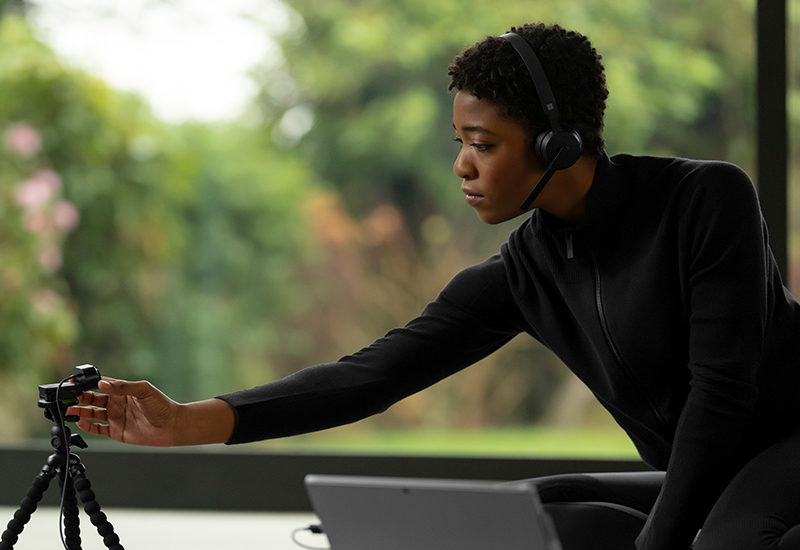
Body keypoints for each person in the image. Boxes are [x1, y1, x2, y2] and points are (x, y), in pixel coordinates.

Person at [69, 23, 800, 550]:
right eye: (461, 143)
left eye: (483, 145)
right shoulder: (528, 269)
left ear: (558, 143)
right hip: (709, 469)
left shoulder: (705, 199)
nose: (462, 166)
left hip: (787, 443)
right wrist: (190, 421)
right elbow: (377, 371)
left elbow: (722, 393)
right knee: (519, 517)